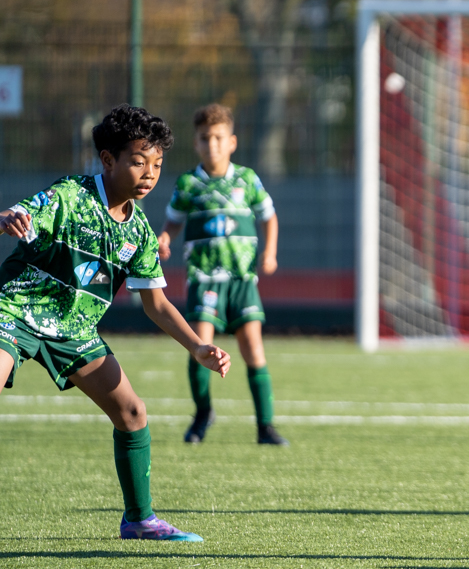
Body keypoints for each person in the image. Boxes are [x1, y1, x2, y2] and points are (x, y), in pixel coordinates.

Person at [0, 104, 231, 541]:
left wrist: (198, 346)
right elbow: (21, 215)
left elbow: (157, 304)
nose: (149, 173)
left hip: (73, 330)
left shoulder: (139, 232)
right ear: (108, 160)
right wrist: (5, 219)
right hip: (15, 310)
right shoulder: (71, 195)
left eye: (157, 164)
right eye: (138, 161)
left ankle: (140, 520)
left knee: (132, 413)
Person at [157, 103, 287, 446]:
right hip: (204, 279)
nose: (211, 144)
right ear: (196, 143)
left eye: (218, 137)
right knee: (200, 346)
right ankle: (202, 414)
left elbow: (269, 217)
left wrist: (270, 253)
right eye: (204, 138)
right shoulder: (188, 183)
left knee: (253, 351)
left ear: (231, 142)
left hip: (242, 280)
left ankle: (266, 427)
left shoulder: (247, 180)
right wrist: (165, 236)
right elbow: (173, 219)